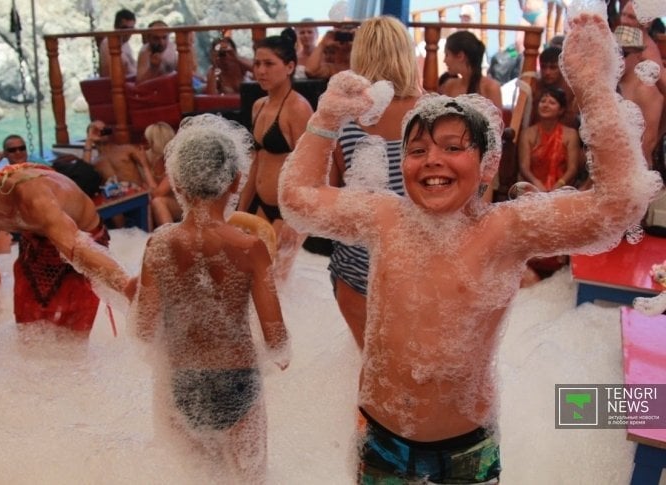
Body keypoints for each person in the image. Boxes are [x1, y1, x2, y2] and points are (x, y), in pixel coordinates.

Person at [278, 13, 660, 483]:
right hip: (382, 438)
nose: (432, 159)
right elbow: (296, 200)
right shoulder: (385, 217)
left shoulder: (506, 230)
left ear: (485, 165)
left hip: (467, 446)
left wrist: (596, 88)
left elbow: (619, 205)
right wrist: (326, 117)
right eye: (417, 151)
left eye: (453, 147)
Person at [133, 114, 290, 483]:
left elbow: (143, 328)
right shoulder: (250, 247)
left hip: (181, 379)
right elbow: (275, 336)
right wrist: (279, 356)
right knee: (249, 476)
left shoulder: (158, 245)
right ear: (235, 180)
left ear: (177, 184)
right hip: (238, 379)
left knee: (197, 476)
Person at [0, 135, 131, 335]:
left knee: (72, 339)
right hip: (34, 239)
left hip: (82, 240)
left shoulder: (32, 196)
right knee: (28, 332)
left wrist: (129, 288)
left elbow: (77, 249)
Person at [328, 15, 422, 350]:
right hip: (424, 267)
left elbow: (330, 198)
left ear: (360, 57)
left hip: (356, 265)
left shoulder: (340, 118)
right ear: (406, 55)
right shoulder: (437, 112)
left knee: (370, 373)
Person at [237, 28, 313, 280]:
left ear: (290, 66)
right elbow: (256, 162)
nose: (260, 71)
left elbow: (311, 169)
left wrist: (296, 219)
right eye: (257, 63)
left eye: (269, 64)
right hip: (262, 204)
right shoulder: (259, 106)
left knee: (277, 285)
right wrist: (240, 210)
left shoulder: (298, 108)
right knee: (252, 277)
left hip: (287, 210)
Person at [614, 25, 664, 168]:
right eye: (613, 53)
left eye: (623, 54)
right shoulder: (616, 84)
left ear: (638, 55)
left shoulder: (645, 89)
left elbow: (648, 143)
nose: (617, 59)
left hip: (635, 172)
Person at [519, 87, 580, 191]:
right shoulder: (527, 134)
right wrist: (536, 183)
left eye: (552, 103)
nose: (545, 105)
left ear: (561, 110)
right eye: (542, 101)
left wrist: (559, 184)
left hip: (562, 189)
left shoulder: (571, 134)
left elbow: (572, 168)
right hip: (534, 189)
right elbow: (524, 167)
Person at [83, 120, 156, 190]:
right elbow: (84, 173)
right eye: (96, 130)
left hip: (136, 193)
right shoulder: (95, 163)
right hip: (116, 198)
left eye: (104, 128)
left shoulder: (127, 149)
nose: (102, 132)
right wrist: (89, 140)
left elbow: (149, 168)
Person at [440, 30, 503, 109]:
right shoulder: (449, 85)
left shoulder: (491, 88)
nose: (444, 61)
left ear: (460, 56)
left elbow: (497, 120)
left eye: (447, 55)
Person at [143, 122, 181, 227]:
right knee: (147, 203)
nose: (146, 145)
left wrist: (145, 166)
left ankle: (169, 239)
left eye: (149, 141)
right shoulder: (156, 158)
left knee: (157, 202)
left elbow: (157, 193)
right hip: (171, 202)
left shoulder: (177, 160)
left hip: (188, 205)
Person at [98, 9, 137, 78]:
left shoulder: (125, 43)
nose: (128, 32)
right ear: (116, 27)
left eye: (131, 29)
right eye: (124, 28)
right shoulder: (109, 44)